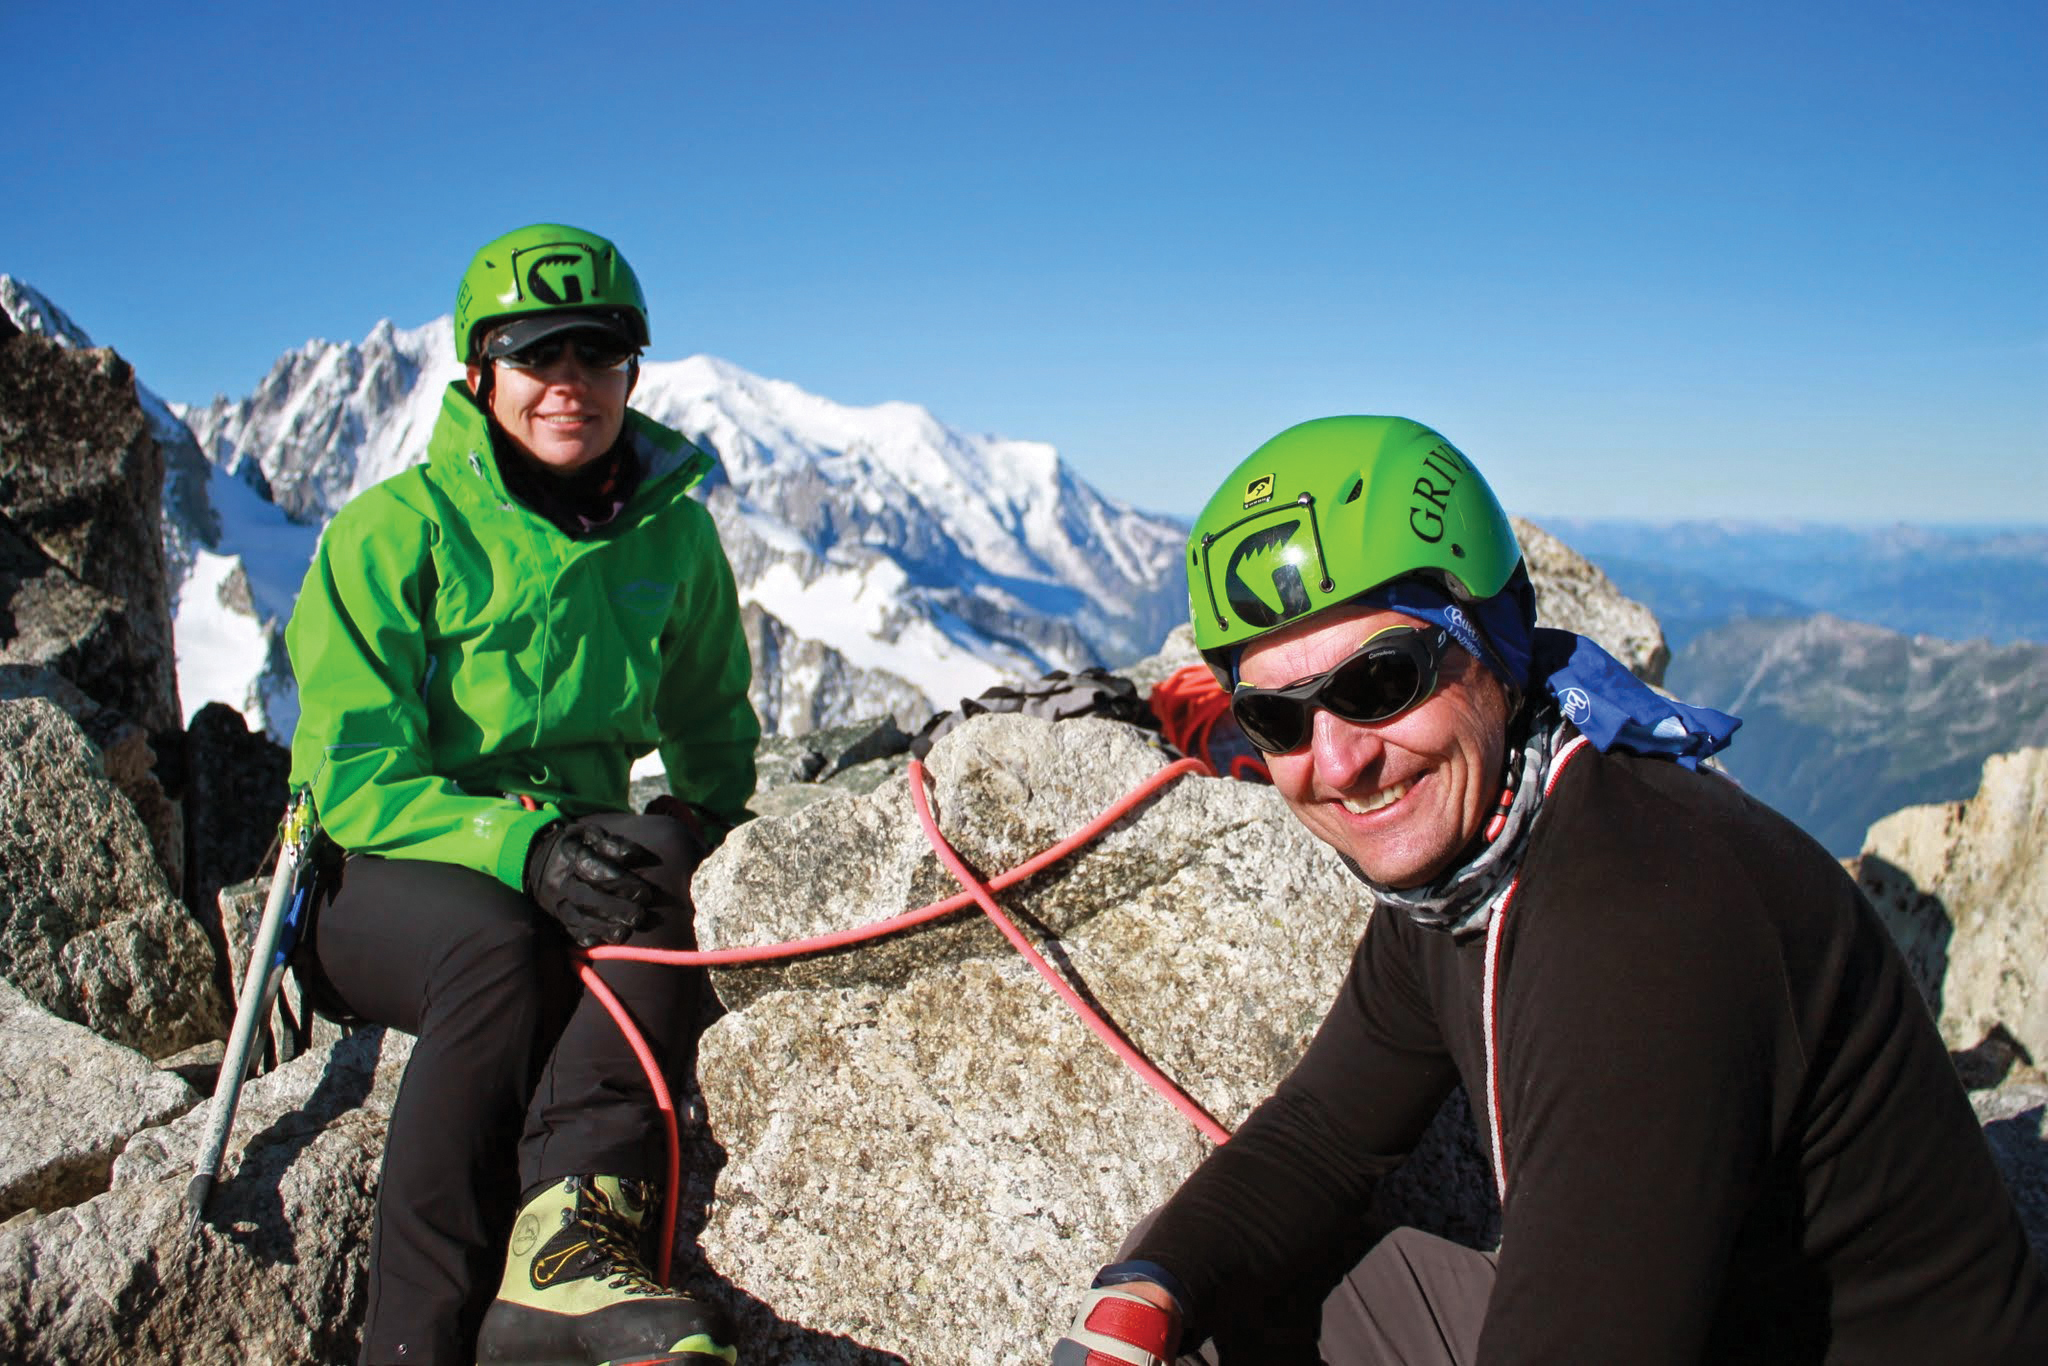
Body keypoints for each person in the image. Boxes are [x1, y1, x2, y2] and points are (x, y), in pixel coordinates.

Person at [1054, 416, 2048, 1365]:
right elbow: (1321, 1134)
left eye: (1380, 680)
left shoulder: (1640, 931)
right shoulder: (1472, 859)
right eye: (1276, 717)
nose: (1337, 760)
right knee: (1204, 1303)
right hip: (1707, 1324)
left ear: (1490, 640)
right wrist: (1149, 1283)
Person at [286, 223, 758, 1366]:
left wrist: (710, 832)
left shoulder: (671, 533)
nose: (570, 383)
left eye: (597, 354)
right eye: (538, 355)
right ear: (477, 372)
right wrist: (519, 847)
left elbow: (706, 714)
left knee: (649, 874)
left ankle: (564, 1255)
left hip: (570, 849)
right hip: (380, 871)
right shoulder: (392, 532)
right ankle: (412, 1342)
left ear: (631, 373)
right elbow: (351, 775)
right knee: (498, 948)